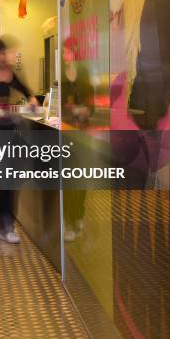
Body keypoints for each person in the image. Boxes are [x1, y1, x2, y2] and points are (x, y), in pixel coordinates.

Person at [0, 37, 38, 244]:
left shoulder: (12, 74)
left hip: (10, 131)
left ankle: (6, 225)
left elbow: (28, 92)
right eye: (1, 54)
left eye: (7, 53)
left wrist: (32, 100)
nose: (5, 57)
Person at [60, 37, 95, 242]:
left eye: (66, 52)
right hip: (66, 133)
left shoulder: (83, 74)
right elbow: (57, 103)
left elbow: (92, 104)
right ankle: (70, 222)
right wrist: (68, 109)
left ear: (75, 53)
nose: (64, 56)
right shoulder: (61, 75)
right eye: (63, 52)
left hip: (83, 132)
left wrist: (85, 110)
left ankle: (78, 215)